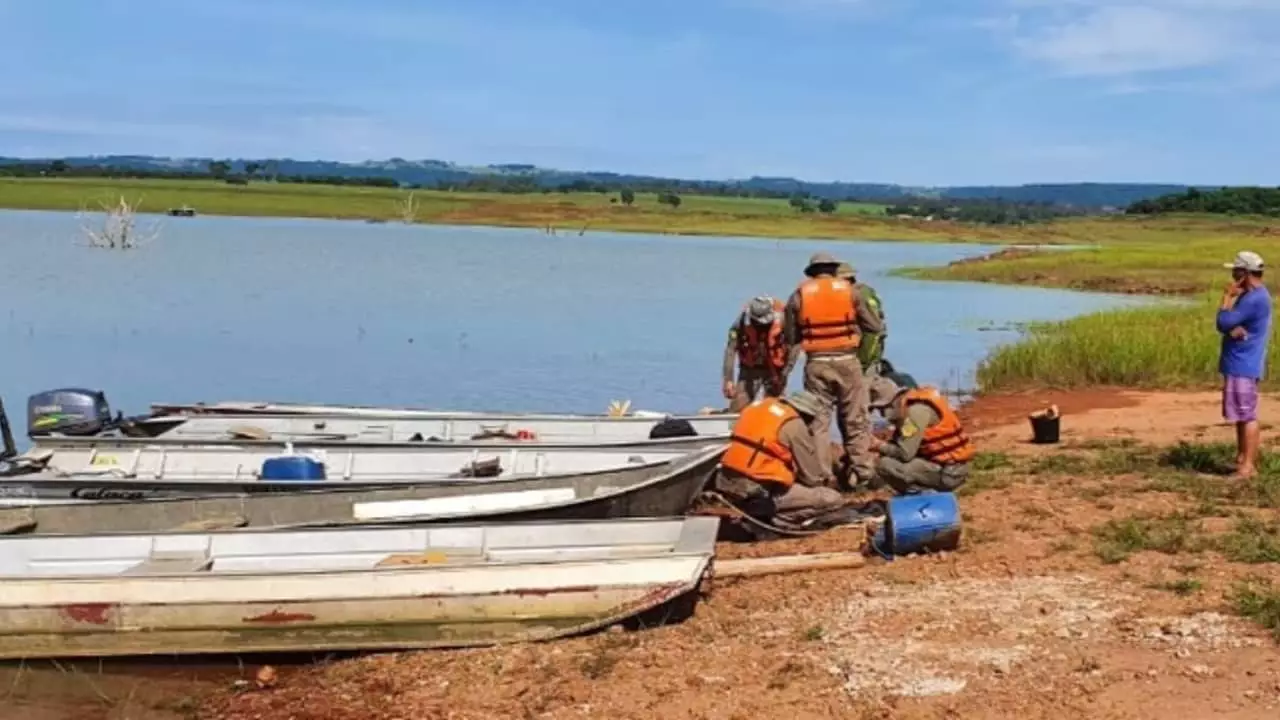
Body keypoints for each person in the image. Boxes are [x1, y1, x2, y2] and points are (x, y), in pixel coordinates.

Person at [781, 252, 885, 486]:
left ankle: (821, 476)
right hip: (847, 360)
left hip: (816, 363)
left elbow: (790, 336)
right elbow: (875, 326)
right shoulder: (852, 291)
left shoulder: (800, 295)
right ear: (834, 269)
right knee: (855, 418)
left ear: (812, 272)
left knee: (819, 422)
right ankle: (862, 472)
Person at [715, 390, 845, 525]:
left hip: (725, 483)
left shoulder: (757, 408)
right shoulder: (794, 423)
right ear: (806, 415)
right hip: (756, 493)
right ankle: (780, 519)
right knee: (832, 499)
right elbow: (812, 478)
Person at [1216, 250, 1273, 479]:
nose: (1232, 274)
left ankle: (1248, 466)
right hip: (1241, 363)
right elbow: (1230, 325)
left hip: (1244, 364)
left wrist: (1227, 299)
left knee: (1247, 414)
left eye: (1236, 270)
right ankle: (1242, 459)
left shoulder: (1253, 298)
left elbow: (1223, 321)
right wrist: (1232, 326)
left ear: (1245, 273)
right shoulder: (1252, 296)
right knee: (1241, 414)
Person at [868, 381, 974, 495]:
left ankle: (923, 496)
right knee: (887, 461)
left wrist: (879, 446)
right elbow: (900, 444)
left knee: (884, 465)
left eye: (881, 409)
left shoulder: (915, 413)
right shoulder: (910, 409)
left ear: (891, 404)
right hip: (949, 467)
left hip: (950, 473)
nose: (882, 415)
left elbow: (905, 454)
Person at [722, 296, 788, 412]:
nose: (760, 324)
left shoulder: (783, 320)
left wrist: (786, 371)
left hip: (775, 370)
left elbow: (794, 346)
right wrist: (728, 379)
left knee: (775, 409)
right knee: (737, 409)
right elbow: (730, 350)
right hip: (749, 370)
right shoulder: (741, 322)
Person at [836, 262, 888, 378]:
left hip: (864, 355)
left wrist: (862, 362)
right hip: (866, 353)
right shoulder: (866, 292)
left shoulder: (858, 295)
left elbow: (874, 330)